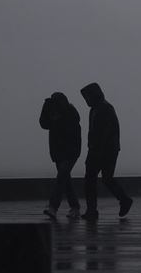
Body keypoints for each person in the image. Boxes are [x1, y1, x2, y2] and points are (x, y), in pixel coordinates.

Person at [80, 82, 133, 220]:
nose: (86, 100)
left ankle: (93, 210)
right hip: (106, 150)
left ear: (93, 96)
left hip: (102, 151)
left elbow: (105, 133)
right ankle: (123, 200)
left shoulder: (104, 109)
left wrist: (96, 150)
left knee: (91, 180)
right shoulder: (99, 108)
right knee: (105, 179)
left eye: (87, 97)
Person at [39, 92, 82, 219]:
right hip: (59, 152)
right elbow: (43, 124)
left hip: (70, 152)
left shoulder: (71, 114)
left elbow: (71, 134)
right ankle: (75, 207)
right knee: (65, 180)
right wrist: (46, 109)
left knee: (62, 177)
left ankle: (53, 207)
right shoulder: (53, 114)